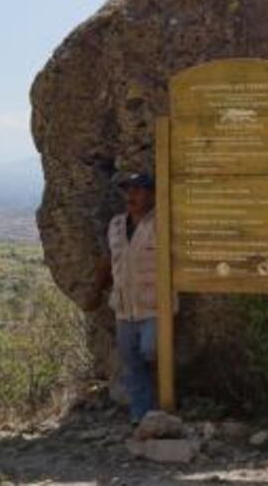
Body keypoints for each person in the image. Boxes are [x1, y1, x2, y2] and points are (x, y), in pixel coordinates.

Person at [105, 172, 158, 422]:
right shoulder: (115, 225)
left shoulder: (160, 223)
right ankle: (142, 416)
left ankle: (160, 407)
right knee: (132, 364)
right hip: (124, 308)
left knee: (151, 350)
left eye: (138, 190)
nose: (131, 196)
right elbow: (113, 262)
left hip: (155, 306)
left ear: (152, 194)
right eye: (128, 190)